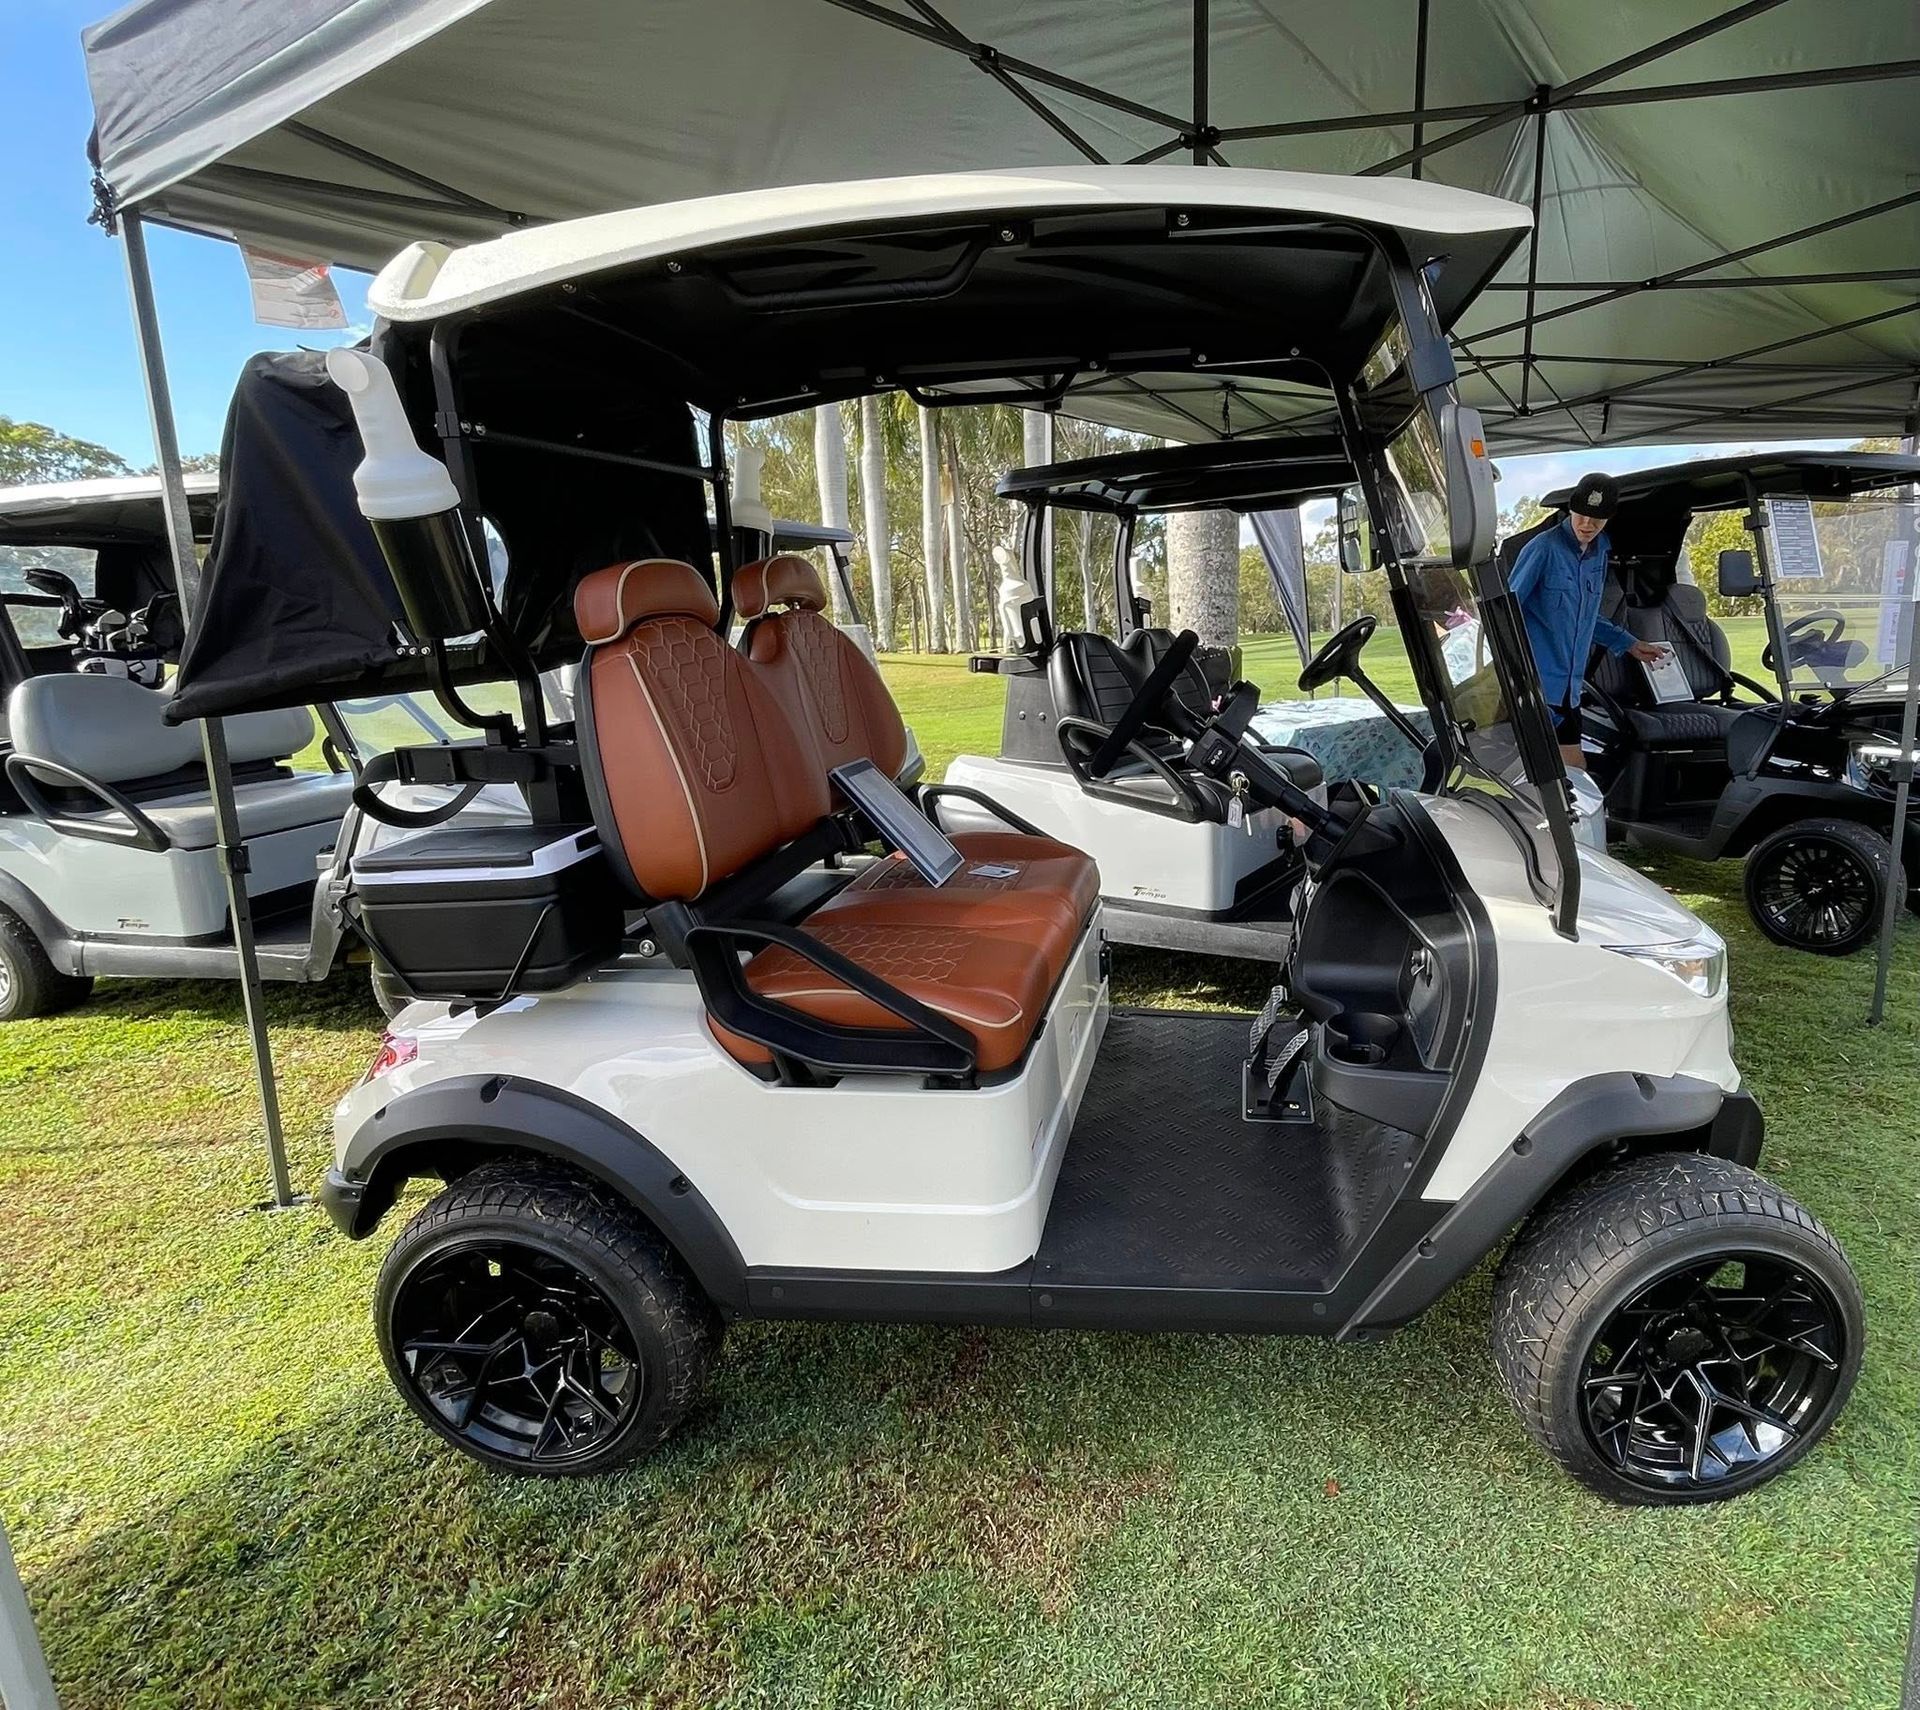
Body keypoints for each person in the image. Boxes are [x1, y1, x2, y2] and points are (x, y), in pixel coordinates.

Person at [1507, 471, 1666, 767]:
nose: (1587, 524)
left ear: (1609, 518)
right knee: (1543, 772)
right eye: (1581, 515)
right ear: (1571, 509)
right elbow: (1507, 611)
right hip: (1535, 686)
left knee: (1573, 773)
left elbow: (1585, 618)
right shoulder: (1543, 548)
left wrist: (1630, 644)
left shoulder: (1600, 553)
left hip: (1570, 690)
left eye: (1597, 518)